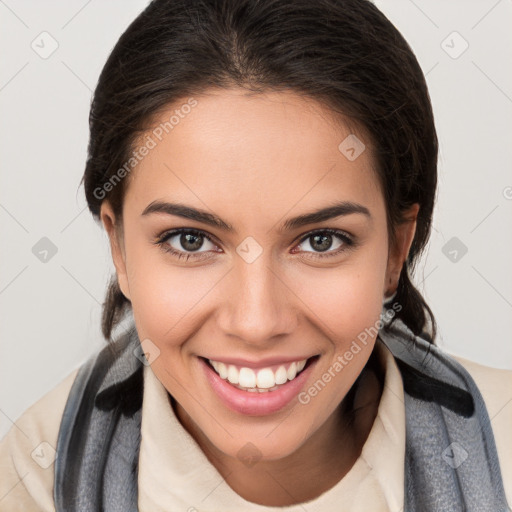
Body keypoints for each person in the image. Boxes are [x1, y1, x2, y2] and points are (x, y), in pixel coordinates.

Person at [1, 0, 511, 510]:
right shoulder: (33, 480)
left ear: (396, 249)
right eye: (191, 240)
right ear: (120, 248)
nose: (256, 322)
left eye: (321, 240)